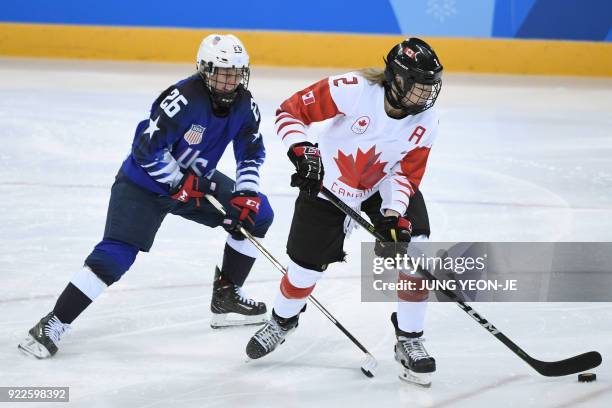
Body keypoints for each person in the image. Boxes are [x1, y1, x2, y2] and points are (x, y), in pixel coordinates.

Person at [18, 34, 274, 359]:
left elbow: (250, 151)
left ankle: (227, 294)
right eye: (222, 73)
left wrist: (247, 192)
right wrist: (178, 182)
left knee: (257, 214)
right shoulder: (182, 99)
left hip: (193, 183)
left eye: (236, 73)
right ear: (205, 70)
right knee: (116, 255)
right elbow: (145, 149)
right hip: (144, 185)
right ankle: (53, 322)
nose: (229, 81)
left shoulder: (245, 105)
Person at [245, 37, 443, 386]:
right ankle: (283, 319)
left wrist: (394, 214)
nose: (425, 96)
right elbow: (290, 111)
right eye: (418, 86)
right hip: (329, 182)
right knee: (304, 270)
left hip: (381, 184)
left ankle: (410, 337)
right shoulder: (353, 89)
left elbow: (407, 173)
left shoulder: (426, 120)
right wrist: (302, 150)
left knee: (416, 246)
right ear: (396, 79)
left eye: (430, 87)